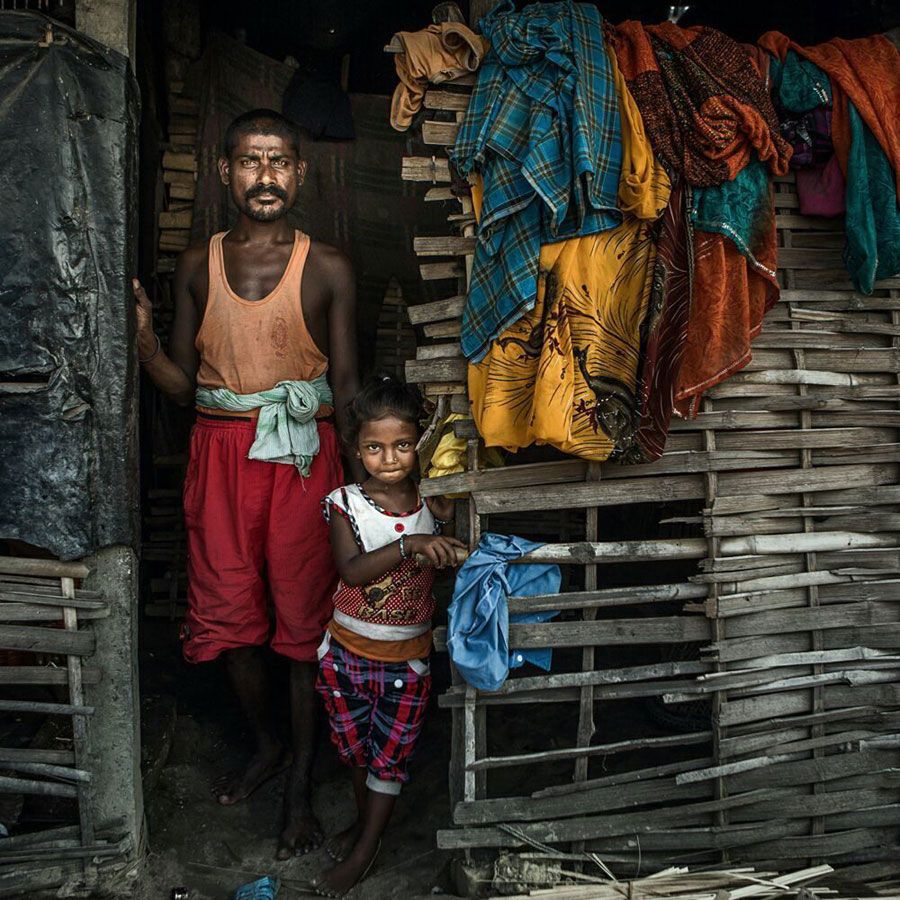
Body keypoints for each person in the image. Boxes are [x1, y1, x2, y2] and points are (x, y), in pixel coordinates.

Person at [133, 108, 361, 858]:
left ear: (300, 173)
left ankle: (299, 782)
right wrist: (141, 343)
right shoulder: (197, 266)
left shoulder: (326, 265)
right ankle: (268, 745)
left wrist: (372, 496)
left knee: (301, 628)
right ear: (224, 173)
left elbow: (349, 392)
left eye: (280, 162)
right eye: (250, 161)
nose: (266, 175)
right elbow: (177, 383)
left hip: (303, 460)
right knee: (231, 615)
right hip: (222, 457)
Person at [311, 377, 463, 897]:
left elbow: (451, 558)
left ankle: (365, 847)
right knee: (357, 751)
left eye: (402, 445)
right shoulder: (344, 503)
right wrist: (411, 545)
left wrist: (439, 535)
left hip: (407, 662)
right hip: (345, 655)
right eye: (374, 447)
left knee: (388, 758)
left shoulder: (435, 506)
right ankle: (365, 828)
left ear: (419, 444)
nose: (389, 458)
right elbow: (351, 572)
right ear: (357, 449)